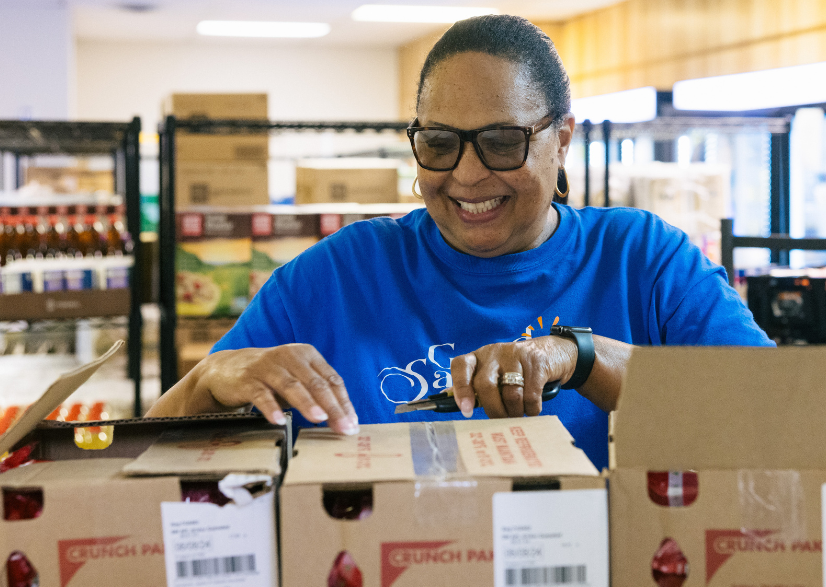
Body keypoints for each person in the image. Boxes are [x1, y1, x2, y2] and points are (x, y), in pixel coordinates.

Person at [147, 15, 773, 469]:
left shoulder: (644, 258)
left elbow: (778, 412)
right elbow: (142, 454)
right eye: (441, 144)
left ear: (563, 140)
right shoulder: (335, 276)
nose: (468, 176)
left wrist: (578, 358)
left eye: (503, 141)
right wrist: (209, 376)